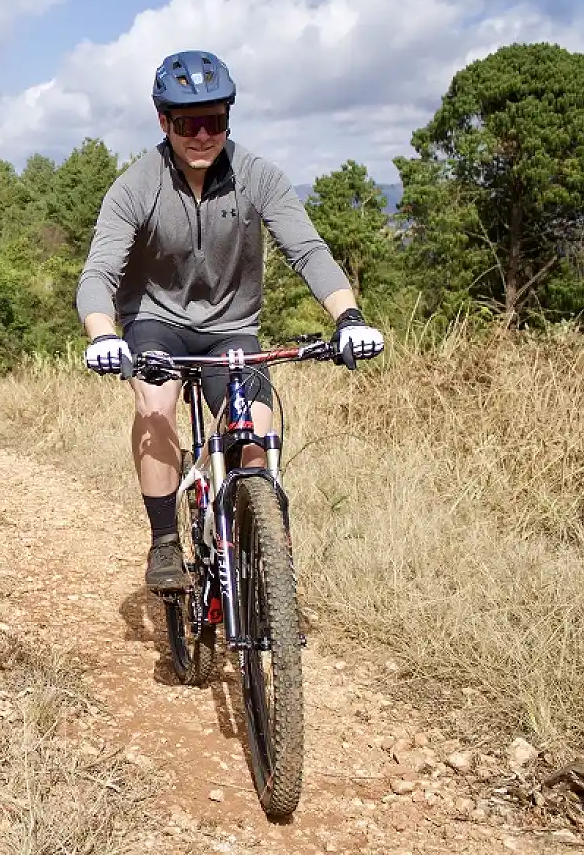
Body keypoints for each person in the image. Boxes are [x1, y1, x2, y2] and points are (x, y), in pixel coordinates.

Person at [75, 50, 384, 592]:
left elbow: (308, 251)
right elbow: (98, 272)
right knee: (156, 405)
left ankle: (256, 552)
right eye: (187, 123)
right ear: (163, 121)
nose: (202, 135)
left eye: (214, 121)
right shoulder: (135, 186)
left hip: (232, 329)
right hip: (155, 321)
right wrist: (103, 333)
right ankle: (166, 542)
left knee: (257, 434)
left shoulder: (258, 176)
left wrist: (349, 317)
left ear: (228, 119)